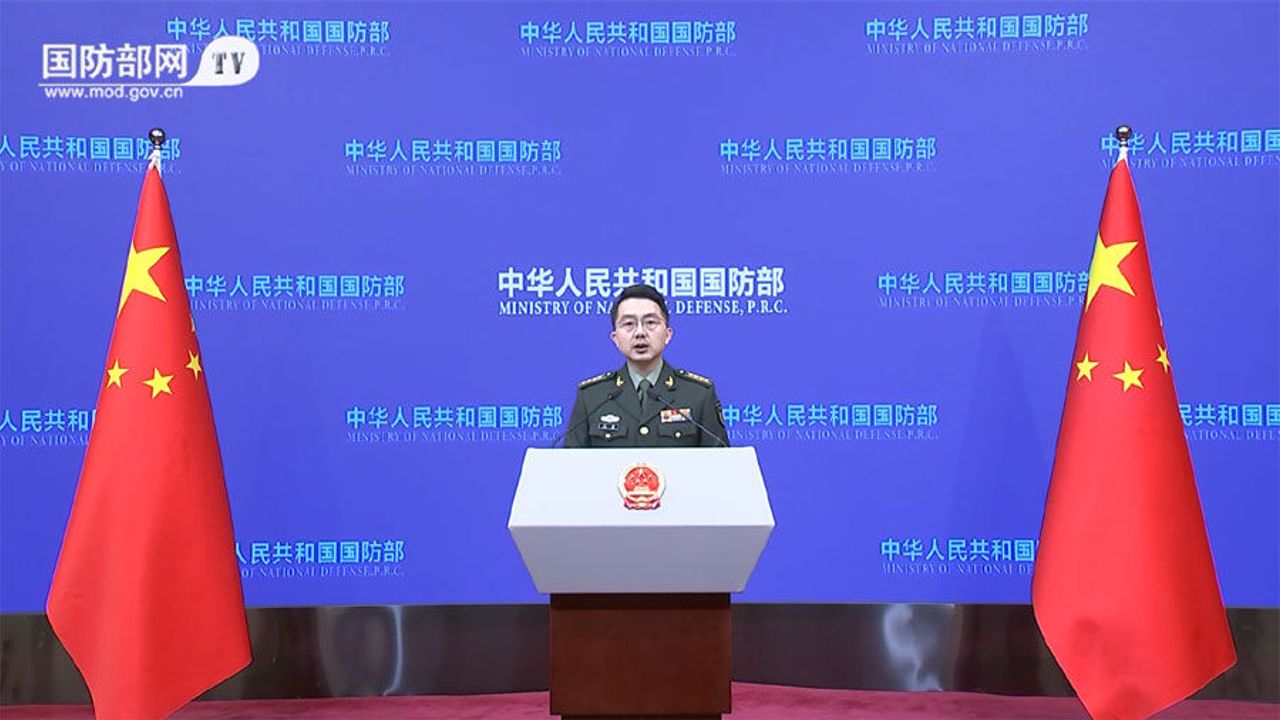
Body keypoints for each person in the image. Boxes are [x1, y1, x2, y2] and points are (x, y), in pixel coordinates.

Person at [564, 284, 729, 448]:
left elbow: (721, 460)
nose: (640, 333)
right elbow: (570, 461)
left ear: (667, 334)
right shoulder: (592, 397)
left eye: (650, 322)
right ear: (615, 338)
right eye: (629, 324)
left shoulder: (698, 394)